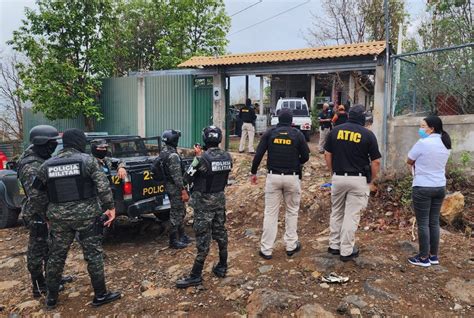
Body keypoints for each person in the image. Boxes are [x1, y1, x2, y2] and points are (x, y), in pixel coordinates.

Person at [31, 128, 120, 309]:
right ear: (80, 143)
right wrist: (110, 208)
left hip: (58, 219)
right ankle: (101, 295)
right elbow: (103, 186)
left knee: (56, 257)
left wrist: (45, 214)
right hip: (87, 217)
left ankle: (51, 299)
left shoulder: (47, 165)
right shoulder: (87, 161)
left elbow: (35, 194)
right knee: (93, 255)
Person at [17, 125, 72, 298]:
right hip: (38, 214)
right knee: (37, 249)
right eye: (51, 143)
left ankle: (52, 278)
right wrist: (48, 216)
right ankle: (38, 285)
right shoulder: (31, 166)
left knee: (50, 247)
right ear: (41, 143)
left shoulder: (39, 159)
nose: (54, 146)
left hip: (46, 212)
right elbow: (36, 196)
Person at [176, 126, 232, 288]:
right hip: (219, 201)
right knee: (221, 233)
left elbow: (185, 178)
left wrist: (198, 156)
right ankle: (222, 265)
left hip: (203, 205)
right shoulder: (227, 156)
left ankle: (195, 275)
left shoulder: (200, 159)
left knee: (203, 238)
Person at [250, 109, 310, 259]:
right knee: (292, 211)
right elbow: (306, 156)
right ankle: (291, 246)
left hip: (273, 177)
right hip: (292, 177)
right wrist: (297, 162)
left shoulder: (270, 133)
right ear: (291, 121)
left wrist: (253, 172)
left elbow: (258, 154)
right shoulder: (297, 134)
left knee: (270, 213)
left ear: (277, 120)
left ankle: (266, 249)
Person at [324, 104, 381, 262]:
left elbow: (327, 154)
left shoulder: (335, 131)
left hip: (339, 177)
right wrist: (371, 180)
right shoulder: (368, 135)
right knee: (351, 214)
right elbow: (376, 162)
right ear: (363, 118)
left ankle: (334, 245)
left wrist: (332, 171)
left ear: (349, 116)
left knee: (336, 211)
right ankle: (346, 250)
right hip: (358, 179)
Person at [406, 115, 451, 267]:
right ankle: (433, 256)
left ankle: (423, 257)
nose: (421, 129)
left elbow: (409, 160)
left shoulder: (423, 143)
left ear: (432, 128)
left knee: (423, 223)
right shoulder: (446, 143)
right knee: (434, 222)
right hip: (439, 186)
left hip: (423, 186)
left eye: (423, 126)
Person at [160, 130, 191, 249]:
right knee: (176, 213)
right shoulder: (173, 156)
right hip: (175, 188)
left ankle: (182, 236)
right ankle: (173, 240)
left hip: (170, 186)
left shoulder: (164, 151)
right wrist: (183, 191)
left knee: (180, 211)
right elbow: (177, 177)